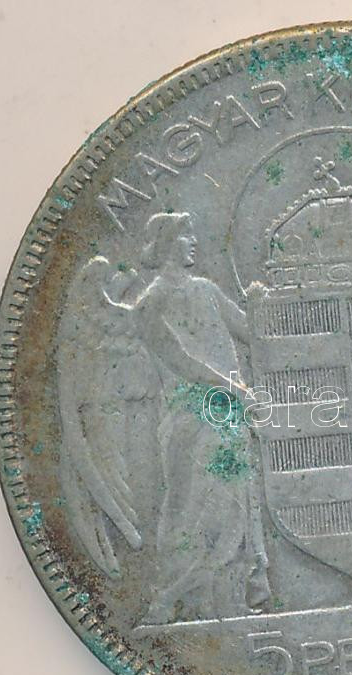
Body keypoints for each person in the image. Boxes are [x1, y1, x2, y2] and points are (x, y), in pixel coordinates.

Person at [134, 211, 270, 623]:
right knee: (192, 507)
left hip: (227, 417)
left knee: (233, 504)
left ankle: (231, 597)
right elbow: (181, 361)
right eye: (184, 235)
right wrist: (233, 388)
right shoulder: (150, 304)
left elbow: (252, 331)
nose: (193, 242)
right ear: (164, 244)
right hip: (190, 419)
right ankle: (172, 597)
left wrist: (267, 303)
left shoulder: (207, 290)